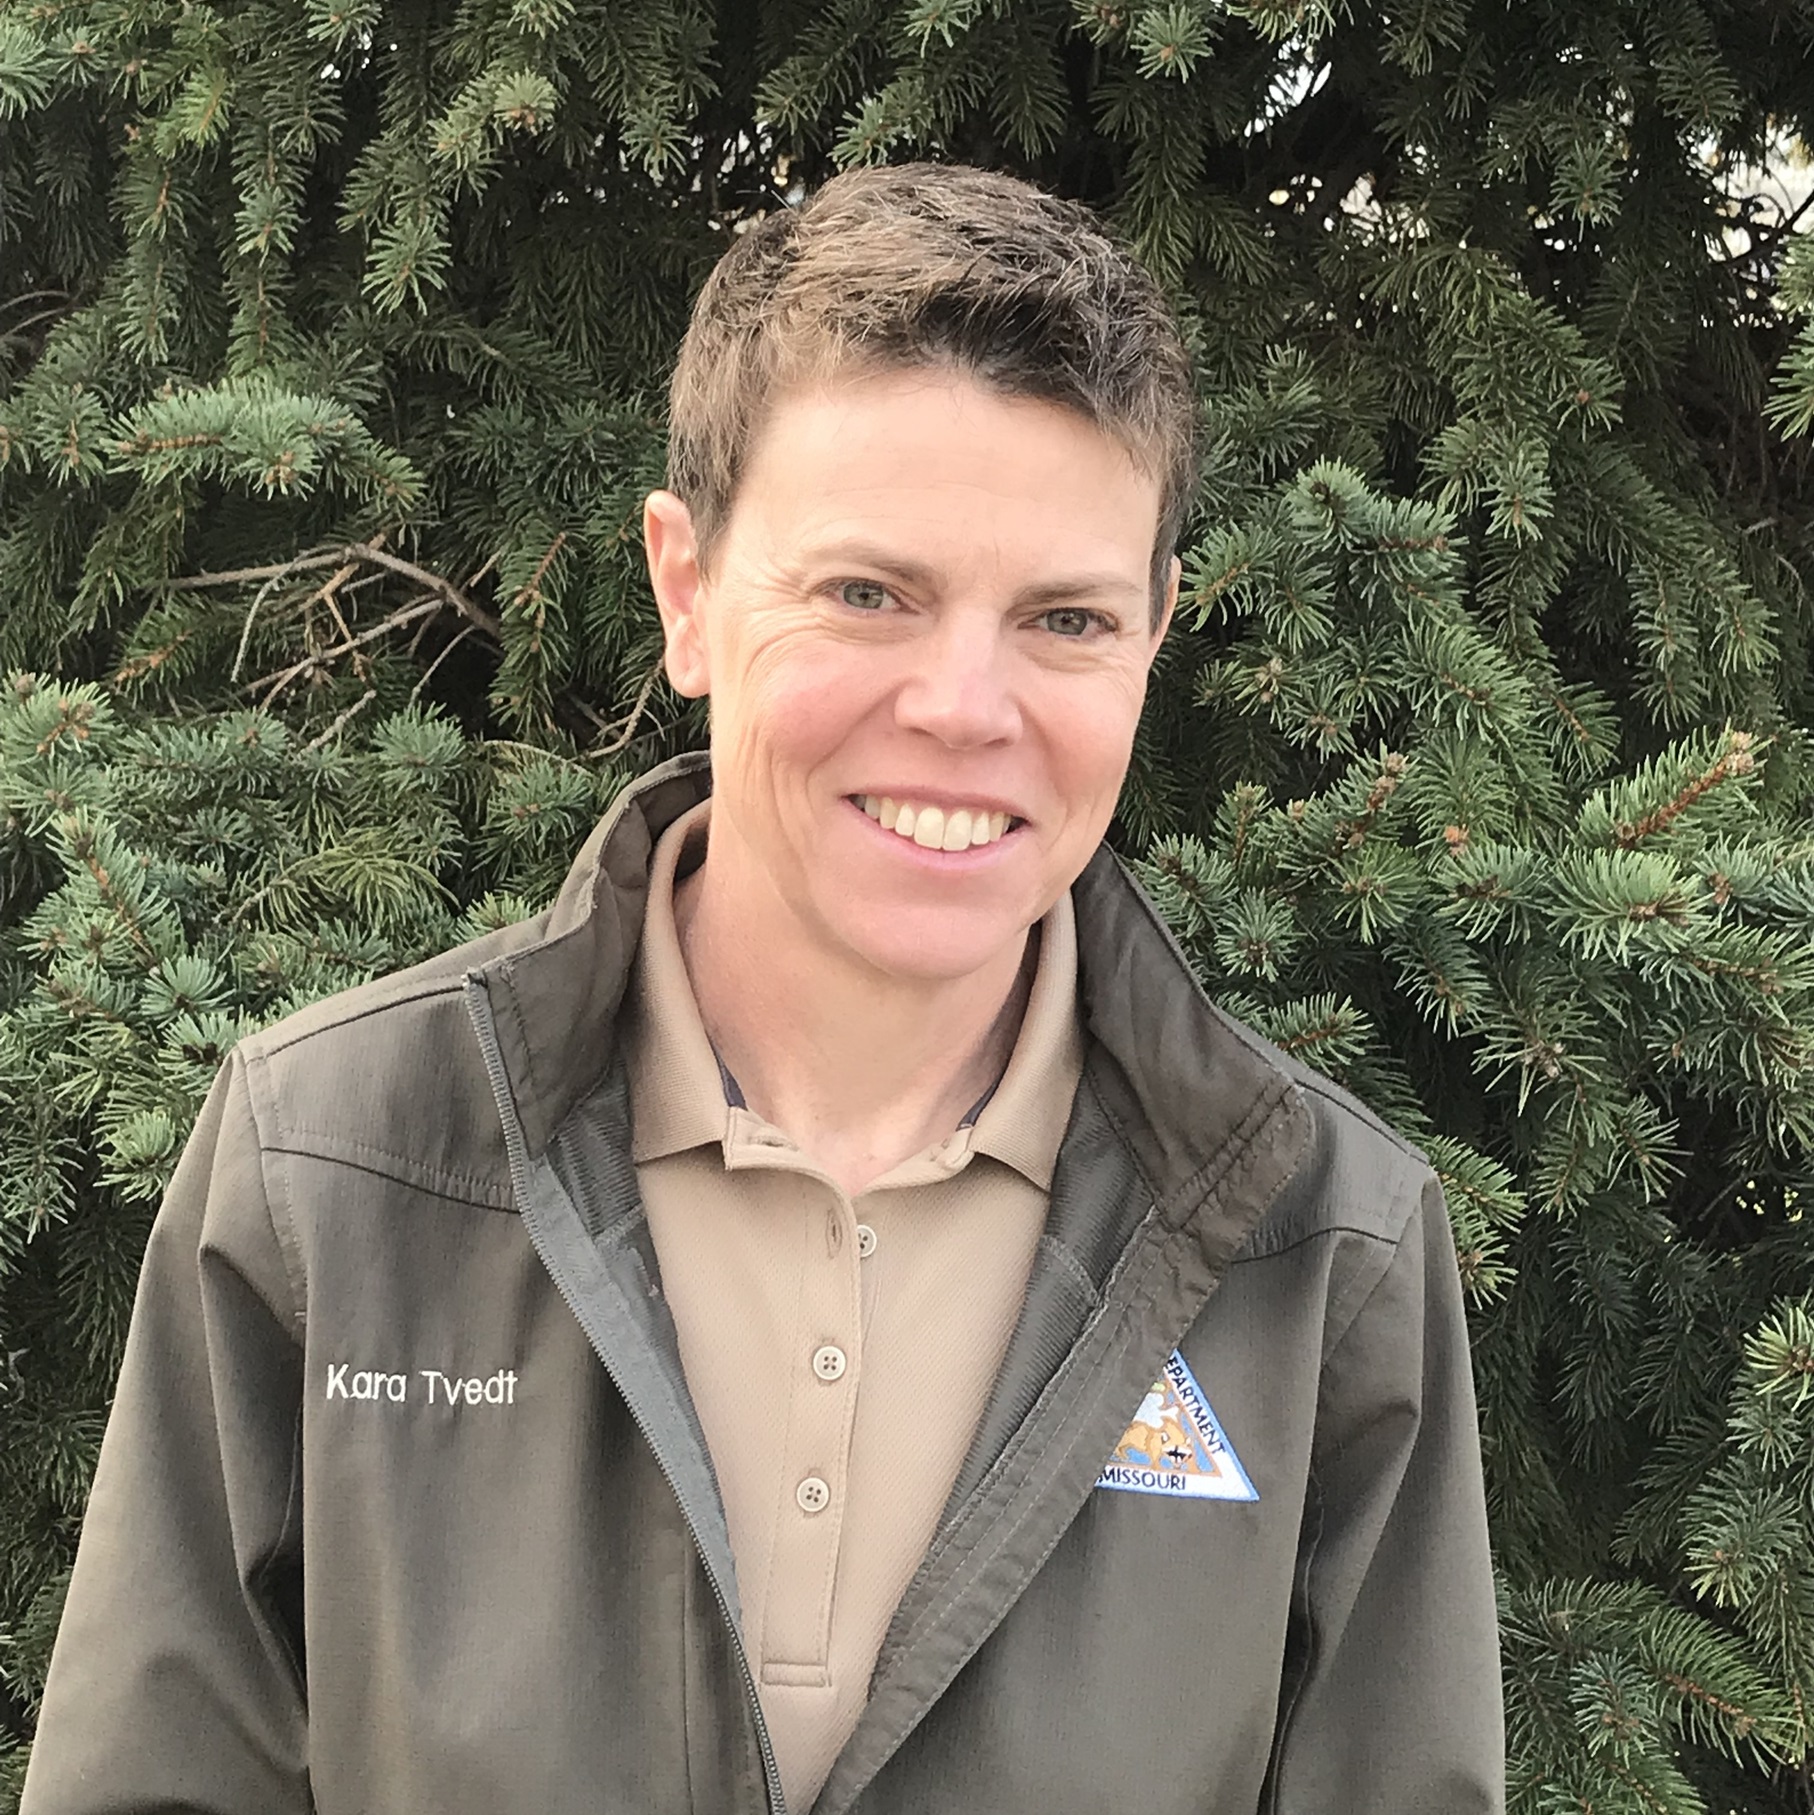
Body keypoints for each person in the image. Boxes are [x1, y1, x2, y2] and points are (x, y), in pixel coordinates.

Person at [23, 163, 1503, 1814]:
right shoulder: (338, 1165)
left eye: (1065, 619)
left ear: (1153, 634)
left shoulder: (1324, 1252)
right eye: (868, 595)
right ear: (686, 590)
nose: (964, 707)